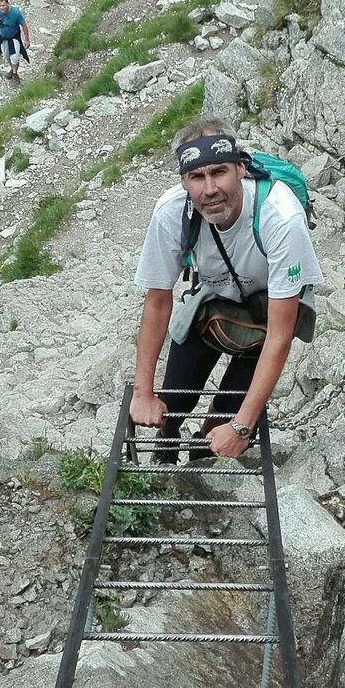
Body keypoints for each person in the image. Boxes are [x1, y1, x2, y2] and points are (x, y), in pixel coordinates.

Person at [131, 118, 322, 462]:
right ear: (183, 181)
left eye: (219, 172)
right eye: (196, 177)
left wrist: (242, 427)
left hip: (268, 315)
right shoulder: (172, 213)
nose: (209, 189)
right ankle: (168, 441)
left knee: (226, 419)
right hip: (214, 301)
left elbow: (279, 334)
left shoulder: (279, 216)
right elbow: (158, 301)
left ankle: (203, 450)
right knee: (173, 401)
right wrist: (143, 393)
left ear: (240, 169)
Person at [0, 0, 30, 81]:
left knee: (15, 57)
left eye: (3, 5)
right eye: (0, 6)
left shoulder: (16, 13)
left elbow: (24, 25)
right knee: (6, 55)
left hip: (14, 37)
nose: (1, 8)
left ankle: (14, 73)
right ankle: (12, 69)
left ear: (7, 3)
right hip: (3, 37)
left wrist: (26, 40)